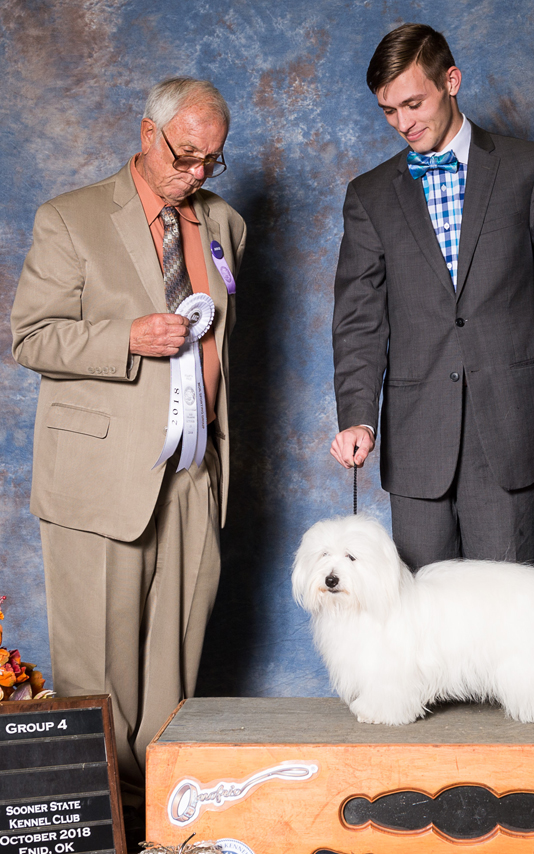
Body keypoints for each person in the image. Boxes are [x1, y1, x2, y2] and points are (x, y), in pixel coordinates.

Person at [11, 78, 245, 819]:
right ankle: (98, 822)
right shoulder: (70, 219)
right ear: (147, 136)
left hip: (193, 473)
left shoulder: (223, 225)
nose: (198, 173)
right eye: (186, 155)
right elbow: (31, 336)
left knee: (173, 674)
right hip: (98, 480)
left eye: (213, 160)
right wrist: (127, 338)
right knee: (98, 675)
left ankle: (165, 821)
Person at [330, 24, 534, 569]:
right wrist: (358, 416)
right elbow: (359, 320)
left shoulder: (531, 168)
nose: (403, 123)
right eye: (387, 111)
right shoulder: (369, 196)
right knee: (422, 629)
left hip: (514, 430)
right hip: (416, 438)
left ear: (451, 81)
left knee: (508, 622)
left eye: (412, 103)